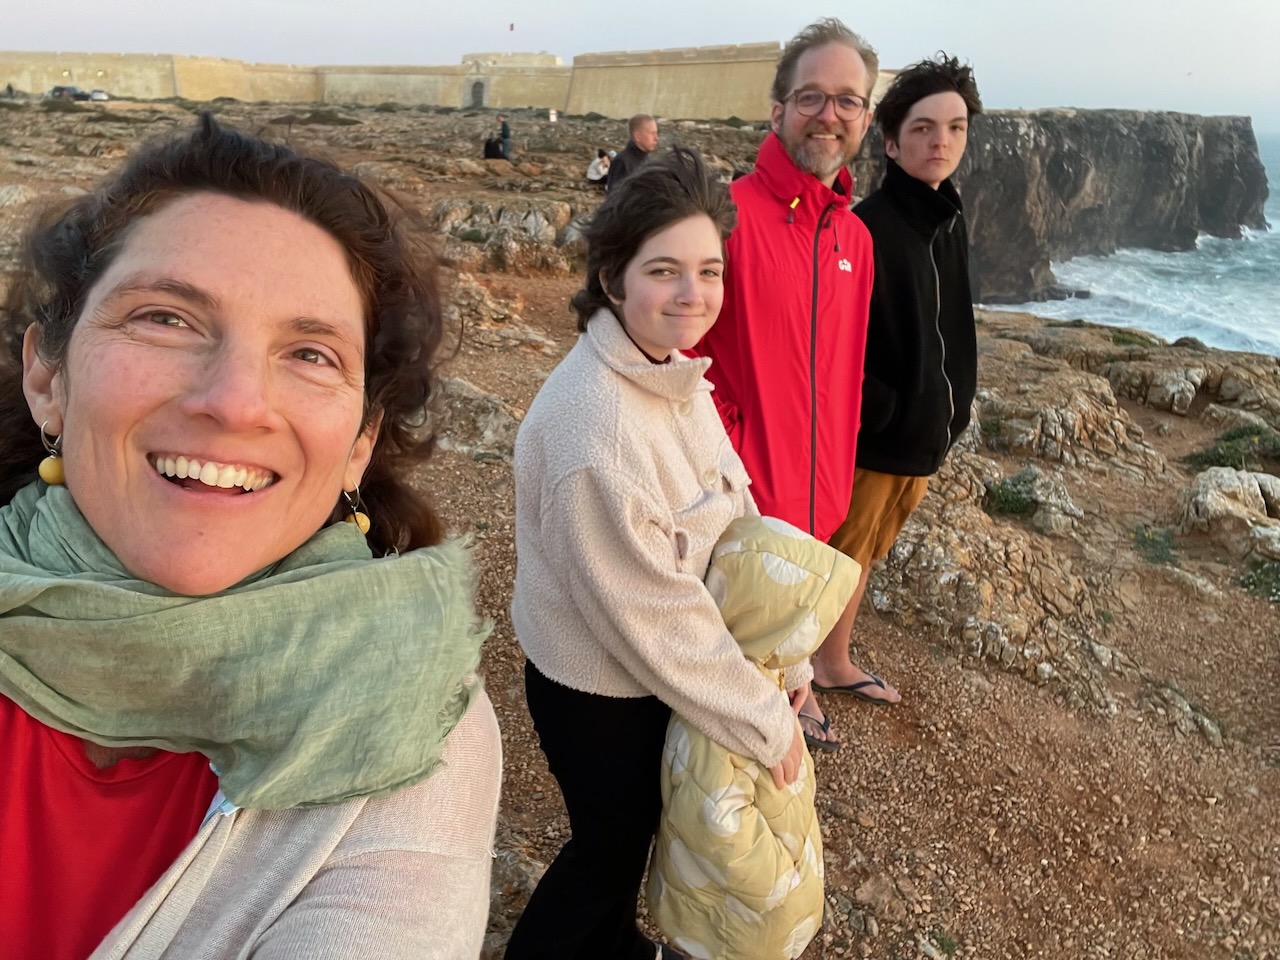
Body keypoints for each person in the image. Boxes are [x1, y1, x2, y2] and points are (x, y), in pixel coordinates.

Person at [0, 114, 502, 958]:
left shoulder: (412, 717)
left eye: (310, 354)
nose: (234, 402)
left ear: (360, 444)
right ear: (49, 376)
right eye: (166, 319)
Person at [505, 147, 809, 960]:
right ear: (612, 278)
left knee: (628, 840)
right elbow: (655, 616)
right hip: (600, 689)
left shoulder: (666, 369)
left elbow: (735, 503)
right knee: (607, 848)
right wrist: (763, 719)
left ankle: (611, 949)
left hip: (643, 666)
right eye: (664, 271)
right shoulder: (596, 437)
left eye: (709, 271)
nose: (692, 294)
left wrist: (788, 648)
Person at [687, 17, 897, 752]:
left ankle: (791, 699)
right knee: (714, 716)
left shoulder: (856, 239)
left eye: (848, 101)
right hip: (735, 503)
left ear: (865, 117)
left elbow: (846, 367)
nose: (828, 115)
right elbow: (679, 357)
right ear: (778, 109)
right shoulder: (726, 218)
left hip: (820, 503)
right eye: (812, 97)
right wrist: (734, 449)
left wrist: (834, 472)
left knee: (779, 664)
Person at [827, 55, 983, 662]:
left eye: (955, 127)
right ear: (891, 143)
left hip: (923, 437)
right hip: (877, 442)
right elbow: (835, 341)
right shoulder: (866, 229)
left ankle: (833, 662)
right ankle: (805, 674)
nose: (941, 140)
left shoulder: (948, 218)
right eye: (923, 128)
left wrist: (951, 409)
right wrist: (884, 411)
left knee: (866, 554)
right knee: (837, 559)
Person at [605, 113, 658, 191]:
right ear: (638, 136)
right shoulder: (622, 162)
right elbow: (614, 195)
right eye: (652, 133)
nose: (656, 138)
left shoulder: (648, 161)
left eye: (656, 133)